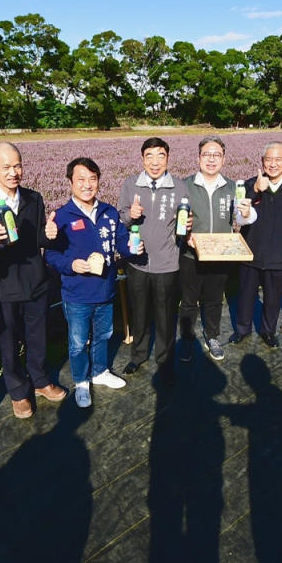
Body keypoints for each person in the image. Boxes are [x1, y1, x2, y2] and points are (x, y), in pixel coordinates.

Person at [0, 142, 66, 420]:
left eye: (18, 166)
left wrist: (50, 233)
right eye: (6, 167)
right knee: (8, 341)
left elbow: (39, 239)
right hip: (3, 285)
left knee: (38, 335)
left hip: (35, 281)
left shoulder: (33, 199)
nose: (14, 173)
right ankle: (18, 391)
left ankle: (39, 379)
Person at [45, 158, 144, 407]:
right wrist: (71, 265)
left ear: (99, 181)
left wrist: (133, 247)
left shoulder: (109, 212)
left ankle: (99, 372)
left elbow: (120, 241)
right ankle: (81, 382)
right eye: (81, 179)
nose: (87, 185)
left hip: (105, 290)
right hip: (77, 294)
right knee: (78, 343)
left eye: (92, 179)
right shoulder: (62, 216)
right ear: (70, 182)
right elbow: (51, 255)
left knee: (104, 335)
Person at [118, 137, 190, 386]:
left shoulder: (179, 187)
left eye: (160, 155)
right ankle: (137, 356)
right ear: (142, 159)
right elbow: (120, 219)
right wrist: (130, 215)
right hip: (138, 263)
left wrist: (187, 227)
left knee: (165, 315)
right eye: (149, 156)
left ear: (168, 158)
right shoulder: (130, 184)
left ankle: (165, 360)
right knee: (139, 313)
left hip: (167, 263)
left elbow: (184, 223)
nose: (155, 161)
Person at [178, 136, 255, 362]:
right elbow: (177, 219)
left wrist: (247, 213)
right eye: (206, 155)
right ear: (198, 157)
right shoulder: (184, 185)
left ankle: (212, 336)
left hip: (220, 254)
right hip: (190, 254)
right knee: (189, 300)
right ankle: (187, 338)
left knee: (214, 299)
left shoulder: (232, 187)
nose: (211, 160)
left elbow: (242, 216)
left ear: (223, 159)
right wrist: (186, 236)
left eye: (216, 155)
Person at [228, 141, 282, 349]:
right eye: (268, 159)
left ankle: (268, 331)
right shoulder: (249, 184)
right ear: (262, 161)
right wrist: (255, 190)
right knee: (245, 296)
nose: (272, 164)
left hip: (280, 255)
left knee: (273, 298)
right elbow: (237, 214)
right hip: (251, 252)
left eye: (278, 159)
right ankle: (242, 329)